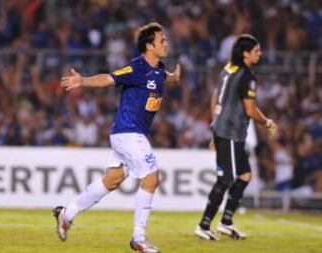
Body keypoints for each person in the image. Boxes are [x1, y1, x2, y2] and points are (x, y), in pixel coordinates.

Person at [53, 22, 180, 253]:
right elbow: (108, 79)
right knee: (151, 179)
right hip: (129, 132)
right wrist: (83, 81)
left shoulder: (159, 69)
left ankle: (66, 214)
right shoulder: (137, 68)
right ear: (149, 46)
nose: (166, 43)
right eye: (162, 41)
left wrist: (174, 77)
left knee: (111, 180)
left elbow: (164, 77)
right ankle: (139, 238)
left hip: (130, 134)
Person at [194, 34, 277, 240]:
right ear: (245, 53)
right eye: (256, 51)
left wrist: (215, 123)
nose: (260, 54)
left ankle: (226, 222)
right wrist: (267, 122)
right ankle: (204, 225)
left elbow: (215, 97)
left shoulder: (227, 69)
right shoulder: (248, 77)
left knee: (245, 175)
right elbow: (249, 109)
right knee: (226, 180)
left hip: (226, 129)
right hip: (231, 131)